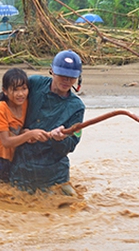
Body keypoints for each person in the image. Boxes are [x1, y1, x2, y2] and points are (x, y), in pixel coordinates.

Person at [9, 50, 84, 195]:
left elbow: (71, 144)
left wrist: (60, 139)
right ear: (52, 71)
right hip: (21, 168)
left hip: (54, 174)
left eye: (71, 77)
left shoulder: (76, 107)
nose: (66, 81)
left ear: (77, 78)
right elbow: (9, 98)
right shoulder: (35, 84)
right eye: (62, 75)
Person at [0, 68, 50, 187]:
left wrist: (25, 132)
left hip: (14, 160)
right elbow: (6, 142)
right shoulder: (0, 108)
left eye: (24, 89)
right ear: (5, 91)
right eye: (15, 90)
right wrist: (29, 135)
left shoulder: (25, 104)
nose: (20, 94)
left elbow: (17, 131)